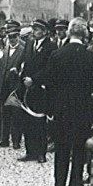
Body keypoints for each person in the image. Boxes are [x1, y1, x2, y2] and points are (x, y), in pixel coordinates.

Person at [42, 18, 93, 186]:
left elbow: (49, 84)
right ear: (84, 35)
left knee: (61, 147)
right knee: (79, 148)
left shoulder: (57, 55)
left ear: (68, 33)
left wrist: (50, 110)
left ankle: (59, 184)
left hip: (61, 110)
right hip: (82, 110)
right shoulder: (90, 57)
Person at [20, 19, 57, 163]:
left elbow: (49, 69)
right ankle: (30, 151)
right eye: (33, 29)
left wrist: (34, 80)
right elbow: (25, 62)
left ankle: (41, 152)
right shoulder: (30, 44)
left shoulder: (50, 46)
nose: (34, 32)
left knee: (39, 119)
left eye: (37, 29)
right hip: (27, 87)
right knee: (27, 119)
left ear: (45, 31)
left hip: (41, 87)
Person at [0, 24, 25, 149]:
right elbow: (0, 70)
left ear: (18, 36)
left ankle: (16, 141)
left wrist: (18, 72)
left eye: (14, 36)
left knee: (16, 115)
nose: (12, 39)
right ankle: (4, 139)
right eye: (10, 37)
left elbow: (24, 67)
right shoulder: (4, 50)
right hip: (3, 87)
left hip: (14, 87)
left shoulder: (23, 50)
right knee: (4, 113)